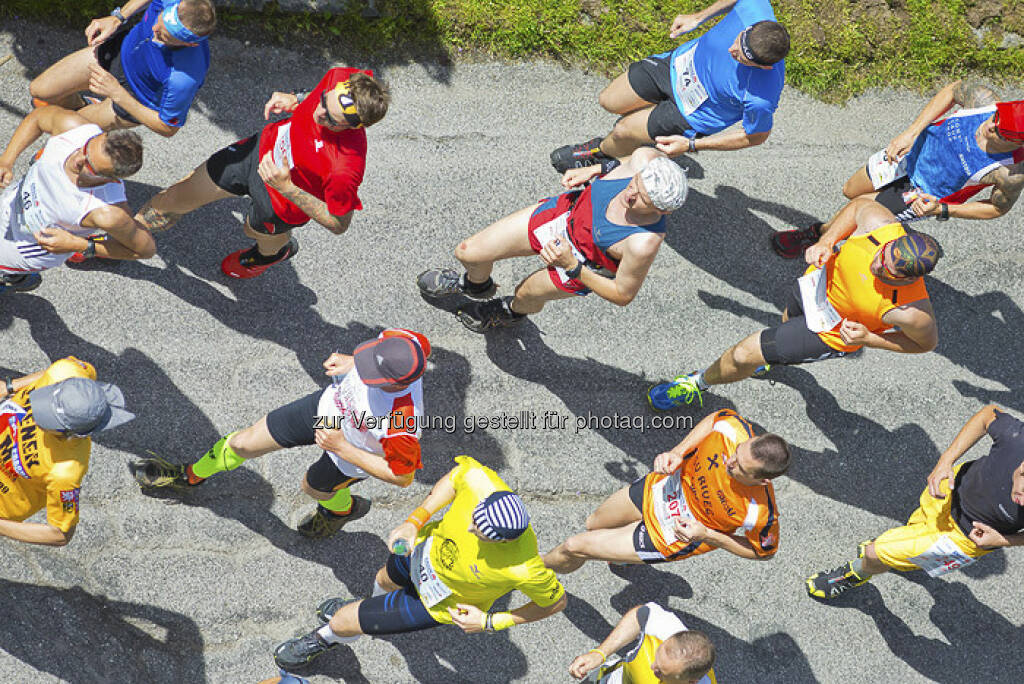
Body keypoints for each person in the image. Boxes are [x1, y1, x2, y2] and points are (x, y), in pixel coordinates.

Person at [272, 455, 567, 669]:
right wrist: (414, 521)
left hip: (436, 601)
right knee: (382, 579)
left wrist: (490, 621)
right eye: (474, 520)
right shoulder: (482, 482)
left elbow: (555, 603)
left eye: (479, 533)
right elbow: (454, 478)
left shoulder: (526, 568)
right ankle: (368, 608)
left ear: (503, 541)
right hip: (419, 551)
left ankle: (325, 638)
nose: (469, 528)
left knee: (342, 620)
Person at [130, 328, 429, 538]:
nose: (363, 369)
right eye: (368, 359)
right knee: (243, 443)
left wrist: (342, 447)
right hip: (327, 408)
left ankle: (342, 511)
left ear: (394, 383)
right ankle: (190, 476)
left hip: (351, 450)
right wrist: (354, 362)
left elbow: (402, 476)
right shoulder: (405, 342)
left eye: (369, 371)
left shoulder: (401, 423)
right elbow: (418, 345)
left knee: (312, 488)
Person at [648, 200, 941, 410]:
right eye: (882, 255)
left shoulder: (912, 311)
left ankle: (697, 383)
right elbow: (858, 206)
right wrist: (827, 241)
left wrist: (869, 339)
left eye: (886, 270)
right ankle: (767, 360)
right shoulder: (882, 227)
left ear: (908, 278)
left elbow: (924, 344)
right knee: (785, 324)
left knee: (743, 354)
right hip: (811, 289)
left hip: (828, 333)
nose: (876, 264)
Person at [124, 67, 389, 278]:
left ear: (356, 127)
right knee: (178, 196)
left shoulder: (345, 167)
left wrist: (287, 188)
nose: (318, 114)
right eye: (323, 102)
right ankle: (125, 236)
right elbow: (317, 100)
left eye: (331, 120)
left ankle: (273, 254)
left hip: (282, 201)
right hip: (257, 152)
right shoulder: (342, 77)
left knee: (253, 230)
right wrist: (297, 99)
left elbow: (339, 224)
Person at [417, 148, 687, 332]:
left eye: (642, 200)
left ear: (662, 211)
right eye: (635, 184)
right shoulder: (645, 159)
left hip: (582, 262)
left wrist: (571, 265)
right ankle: (476, 286)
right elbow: (629, 160)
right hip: (565, 216)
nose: (630, 195)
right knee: (468, 252)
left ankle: (509, 311)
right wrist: (596, 169)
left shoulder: (643, 242)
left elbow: (622, 294)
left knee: (525, 292)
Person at [772, 86, 1024, 259]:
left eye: (1001, 132)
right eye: (996, 117)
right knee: (850, 191)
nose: (989, 126)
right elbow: (951, 91)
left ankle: (818, 234)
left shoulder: (1010, 172)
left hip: (920, 193)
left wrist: (942, 210)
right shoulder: (983, 101)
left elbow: (997, 208)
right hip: (905, 155)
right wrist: (911, 133)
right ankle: (884, 225)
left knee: (859, 209)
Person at [806, 404, 1024, 599]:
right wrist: (945, 461)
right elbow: (988, 414)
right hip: (948, 492)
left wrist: (1003, 540)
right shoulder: (1017, 440)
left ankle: (857, 573)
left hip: (966, 538)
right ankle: (899, 550)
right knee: (915, 526)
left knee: (874, 552)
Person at [550, 0, 789, 173]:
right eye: (738, 40)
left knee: (623, 130)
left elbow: (755, 136)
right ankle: (637, 142)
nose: (731, 50)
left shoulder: (761, 97)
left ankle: (601, 153)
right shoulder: (755, 9)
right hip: (676, 66)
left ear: (764, 67)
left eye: (740, 58)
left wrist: (692, 145)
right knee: (609, 100)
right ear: (751, 27)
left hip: (692, 112)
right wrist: (698, 17)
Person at [543, 410, 787, 572]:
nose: (729, 462)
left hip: (672, 534)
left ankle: (532, 568)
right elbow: (716, 418)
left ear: (762, 481)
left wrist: (708, 536)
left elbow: (763, 553)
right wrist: (678, 452)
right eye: (737, 452)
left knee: (574, 546)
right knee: (593, 524)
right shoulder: (734, 430)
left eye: (739, 467)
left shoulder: (760, 513)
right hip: (660, 489)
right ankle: (622, 554)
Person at [0, 105, 155, 293]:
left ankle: (11, 278)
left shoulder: (107, 211)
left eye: (89, 166)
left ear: (111, 179)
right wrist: (6, 161)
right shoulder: (75, 129)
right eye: (86, 148)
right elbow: (38, 117)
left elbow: (145, 250)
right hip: (9, 204)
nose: (77, 159)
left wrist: (80, 245)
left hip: (22, 249)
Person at [28, 0, 216, 137]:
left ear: (190, 44)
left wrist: (117, 93)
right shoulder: (175, 3)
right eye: (159, 22)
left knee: (65, 129)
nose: (153, 32)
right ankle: (83, 106)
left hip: (137, 96)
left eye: (163, 37)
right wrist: (118, 17)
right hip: (121, 51)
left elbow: (168, 127)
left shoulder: (184, 78)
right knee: (40, 91)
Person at [0, 356, 135, 546]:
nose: (38, 414)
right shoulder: (65, 371)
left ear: (75, 434)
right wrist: (10, 386)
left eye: (48, 420)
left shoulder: (65, 471)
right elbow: (83, 371)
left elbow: (59, 534)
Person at [569, 602, 717, 684]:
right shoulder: (664, 628)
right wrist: (600, 653)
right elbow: (640, 614)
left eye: (660, 673)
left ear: (692, 682)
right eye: (657, 657)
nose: (653, 667)